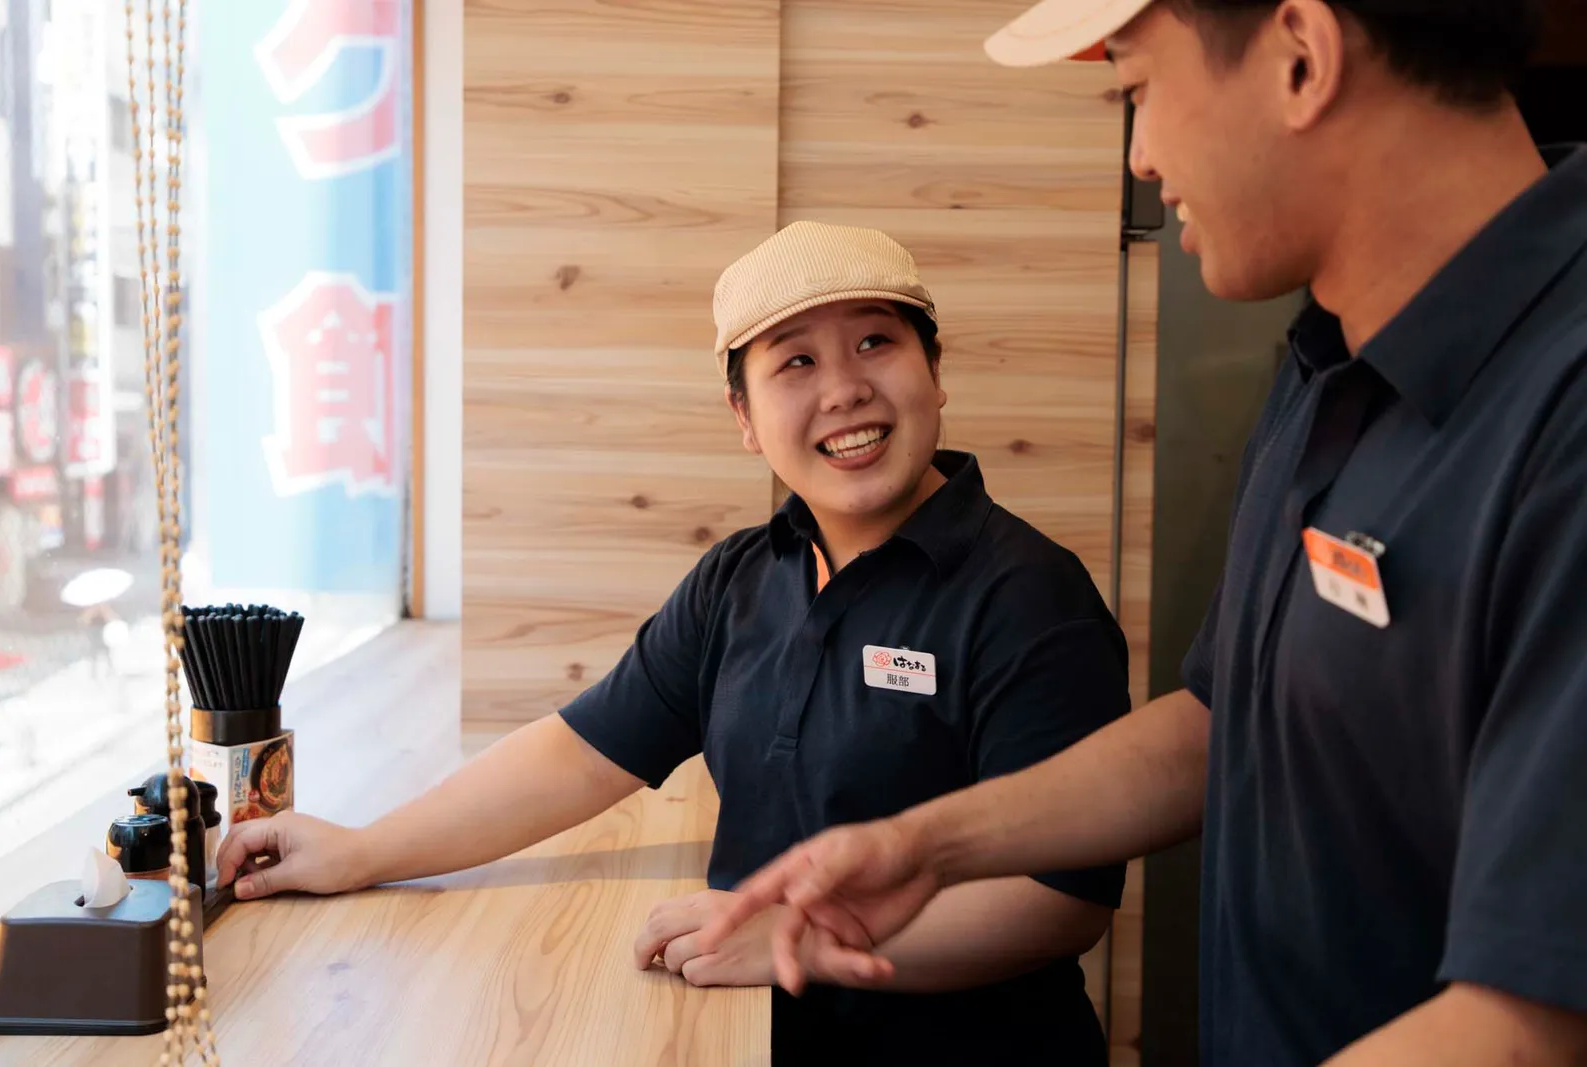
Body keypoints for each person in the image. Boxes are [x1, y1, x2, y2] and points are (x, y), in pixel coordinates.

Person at [696, 3, 1587, 1066]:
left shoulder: (1561, 419)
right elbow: (1220, 722)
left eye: (1136, 92)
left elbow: (1529, 1018)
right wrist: (925, 842)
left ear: (1300, 57)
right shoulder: (1324, 365)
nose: (1144, 157)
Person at [215, 221, 1134, 1065]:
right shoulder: (741, 580)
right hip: (737, 1032)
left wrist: (799, 940)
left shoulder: (1030, 595)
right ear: (744, 417)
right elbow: (577, 755)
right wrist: (363, 850)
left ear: (935, 370)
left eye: (875, 341)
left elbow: (1062, 900)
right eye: (795, 362)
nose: (845, 387)